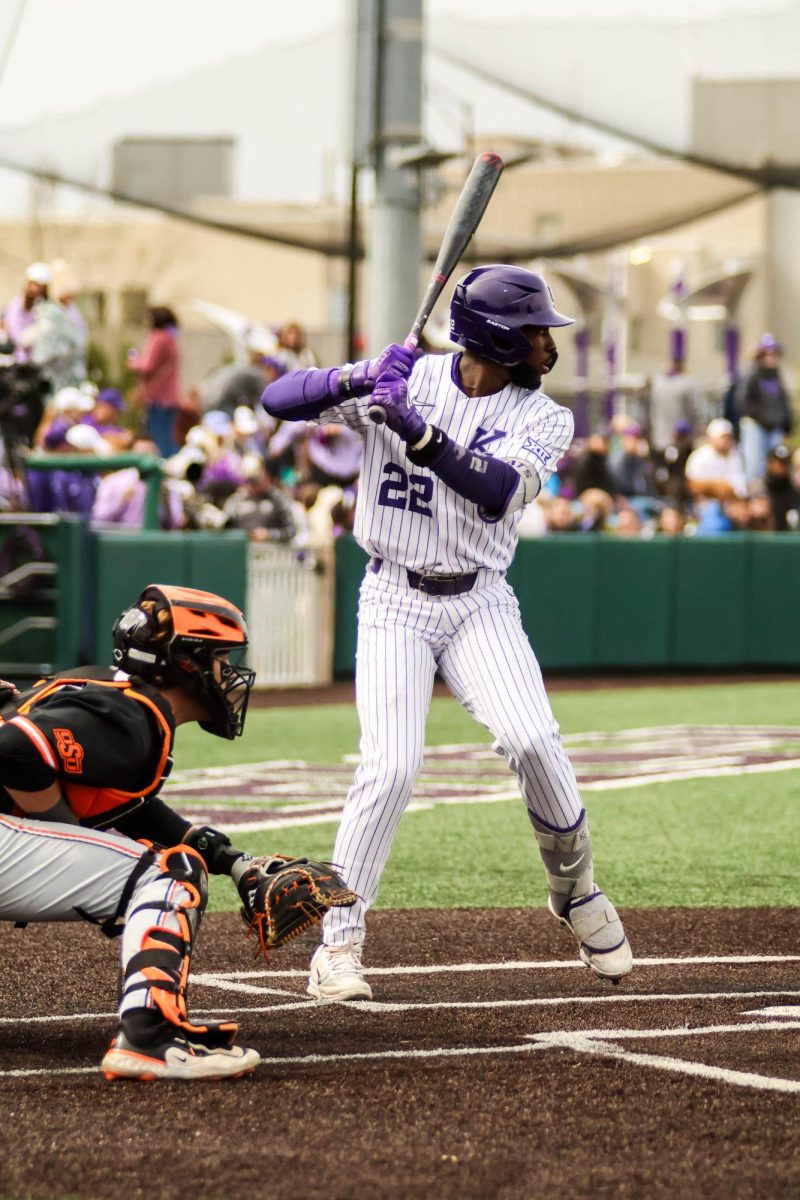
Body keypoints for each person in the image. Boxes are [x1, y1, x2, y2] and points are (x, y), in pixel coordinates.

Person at [262, 263, 633, 1000]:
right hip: (393, 597)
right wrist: (357, 378)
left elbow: (495, 491)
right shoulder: (405, 378)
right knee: (391, 767)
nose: (545, 343)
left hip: (479, 600)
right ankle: (337, 946)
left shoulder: (544, 416)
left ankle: (576, 889)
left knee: (531, 739)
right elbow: (277, 401)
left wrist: (417, 430)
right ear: (494, 336)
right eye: (533, 331)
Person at [0, 583, 270, 1081]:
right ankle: (150, 1036)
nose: (228, 674)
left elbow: (130, 809)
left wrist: (235, 861)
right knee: (172, 874)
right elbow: (16, 748)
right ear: (185, 661)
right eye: (219, 659)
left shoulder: (110, 694)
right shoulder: (133, 714)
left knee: (167, 854)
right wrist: (61, 826)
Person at [127, 305, 183, 458]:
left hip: (158, 397)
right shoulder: (171, 338)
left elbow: (148, 365)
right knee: (168, 434)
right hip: (171, 396)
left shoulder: (158, 338)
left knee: (157, 436)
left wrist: (133, 362)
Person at [738, 333, 793, 486]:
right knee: (755, 466)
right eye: (767, 354)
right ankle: (754, 494)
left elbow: (783, 402)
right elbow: (745, 404)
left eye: (774, 354)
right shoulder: (752, 375)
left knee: (776, 463)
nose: (771, 358)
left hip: (774, 427)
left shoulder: (777, 376)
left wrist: (787, 423)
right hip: (757, 425)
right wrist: (764, 418)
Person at [29, 260, 87, 394]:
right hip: (55, 378)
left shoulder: (71, 313)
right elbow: (43, 352)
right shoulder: (51, 315)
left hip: (71, 376)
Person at [684, 417, 747, 506]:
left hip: (730, 503)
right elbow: (692, 483)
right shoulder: (700, 456)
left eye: (728, 437)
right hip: (704, 502)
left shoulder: (735, 456)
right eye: (722, 437)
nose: (725, 441)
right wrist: (715, 485)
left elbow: (740, 488)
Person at [0, 262, 51, 362]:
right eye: (32, 284)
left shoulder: (45, 307)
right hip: (18, 359)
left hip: (38, 359)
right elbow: (16, 335)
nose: (34, 289)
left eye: (39, 286)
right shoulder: (16, 305)